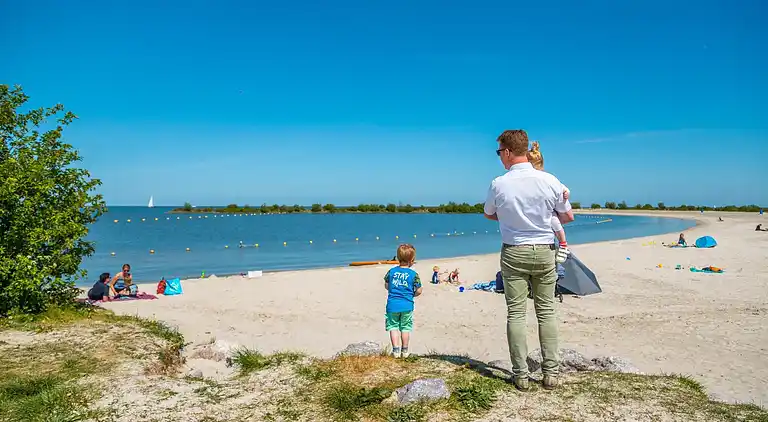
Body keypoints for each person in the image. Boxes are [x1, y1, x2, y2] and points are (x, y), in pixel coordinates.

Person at [484, 129, 574, 391]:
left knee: (516, 313)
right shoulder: (549, 180)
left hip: (514, 250)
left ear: (509, 152)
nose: (500, 156)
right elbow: (567, 217)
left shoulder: (498, 183)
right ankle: (551, 373)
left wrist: (512, 217)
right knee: (546, 312)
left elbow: (489, 214)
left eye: (499, 152)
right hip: (545, 249)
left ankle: (521, 375)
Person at [527, 141, 570, 263]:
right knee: (555, 224)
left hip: (548, 211)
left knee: (555, 222)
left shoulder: (547, 179)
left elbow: (564, 188)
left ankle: (563, 244)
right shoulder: (549, 179)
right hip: (541, 212)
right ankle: (562, 244)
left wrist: (566, 193)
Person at [383, 244, 423, 358]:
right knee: (405, 328)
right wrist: (411, 295)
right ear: (412, 260)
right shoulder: (414, 275)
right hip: (407, 305)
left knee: (393, 327)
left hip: (392, 304)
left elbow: (387, 285)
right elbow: (419, 290)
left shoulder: (391, 272)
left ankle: (395, 351)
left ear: (398, 257)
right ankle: (404, 351)